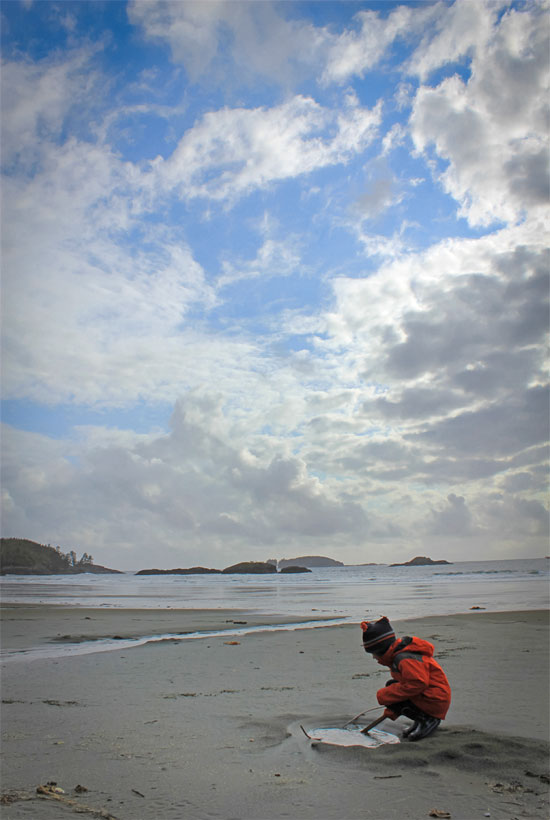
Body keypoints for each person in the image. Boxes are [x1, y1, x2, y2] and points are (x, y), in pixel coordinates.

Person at [360, 615, 451, 741]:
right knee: (391, 686)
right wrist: (392, 708)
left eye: (373, 653)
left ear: (381, 649)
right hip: (429, 696)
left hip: (435, 699)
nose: (374, 657)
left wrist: (387, 697)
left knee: (390, 692)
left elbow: (418, 683)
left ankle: (428, 719)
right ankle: (420, 720)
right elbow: (406, 685)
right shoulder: (397, 656)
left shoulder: (404, 658)